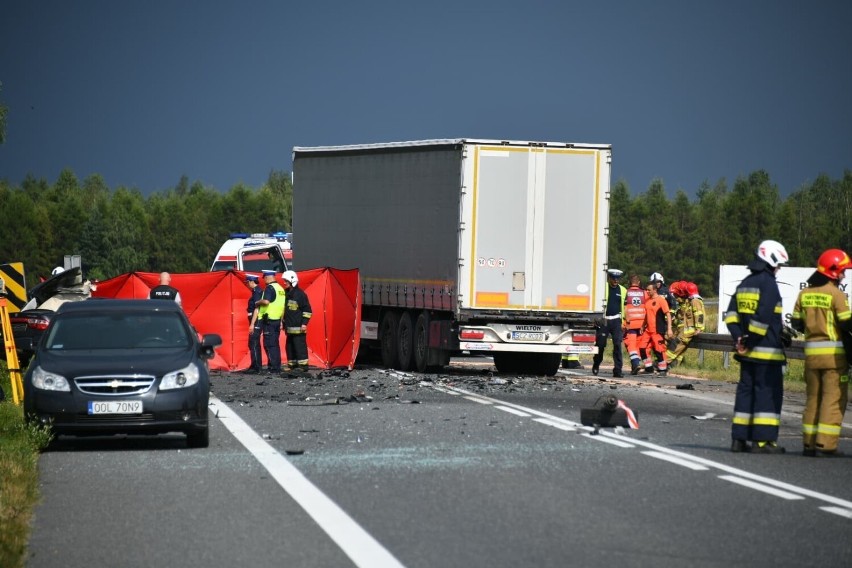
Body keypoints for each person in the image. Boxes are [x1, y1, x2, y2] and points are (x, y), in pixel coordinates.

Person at [724, 239, 789, 454]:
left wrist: (739, 340)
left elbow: (731, 316)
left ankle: (739, 439)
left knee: (745, 393)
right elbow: (762, 319)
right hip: (766, 354)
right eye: (778, 266)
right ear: (772, 262)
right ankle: (763, 442)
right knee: (767, 395)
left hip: (746, 354)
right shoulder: (768, 284)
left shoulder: (744, 283)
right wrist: (751, 339)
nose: (778, 270)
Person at [790, 249, 852, 457]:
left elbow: (796, 322)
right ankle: (825, 445)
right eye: (842, 271)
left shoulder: (804, 293)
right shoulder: (836, 294)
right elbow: (846, 324)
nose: (843, 275)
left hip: (811, 356)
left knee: (813, 398)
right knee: (832, 399)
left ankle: (809, 443)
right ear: (833, 271)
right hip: (834, 357)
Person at [592, 268, 626, 378]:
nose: (616, 280)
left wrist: (625, 321)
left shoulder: (623, 290)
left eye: (618, 278)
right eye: (614, 278)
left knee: (617, 344)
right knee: (601, 345)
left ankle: (618, 370)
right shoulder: (603, 288)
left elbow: (625, 307)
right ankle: (596, 363)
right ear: (609, 278)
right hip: (604, 320)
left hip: (616, 320)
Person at [666, 281, 705, 368]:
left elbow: (699, 315)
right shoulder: (690, 301)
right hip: (685, 331)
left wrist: (699, 328)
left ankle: (663, 363)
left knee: (674, 347)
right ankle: (673, 365)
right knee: (678, 350)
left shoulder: (695, 301)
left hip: (688, 331)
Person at [638, 280, 673, 375]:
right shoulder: (647, 301)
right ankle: (649, 369)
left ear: (654, 290)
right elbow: (647, 315)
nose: (647, 292)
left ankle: (663, 370)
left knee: (659, 350)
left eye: (649, 290)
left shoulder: (661, 300)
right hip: (648, 330)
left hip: (657, 330)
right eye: (646, 290)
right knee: (642, 348)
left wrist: (669, 329)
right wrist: (643, 325)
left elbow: (668, 314)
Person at [281, 270, 312, 373]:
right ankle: (292, 365)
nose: (284, 282)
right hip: (289, 327)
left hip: (298, 327)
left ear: (292, 281)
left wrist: (304, 323)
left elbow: (307, 310)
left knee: (299, 347)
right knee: (290, 347)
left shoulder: (300, 295)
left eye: (286, 281)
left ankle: (303, 366)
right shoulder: (286, 294)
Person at [255, 270, 285, 373]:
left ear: (267, 277)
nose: (264, 280)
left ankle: (274, 367)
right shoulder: (280, 289)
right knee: (275, 344)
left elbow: (266, 301)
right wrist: (281, 321)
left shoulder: (269, 288)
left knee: (269, 344)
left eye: (264, 278)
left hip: (269, 321)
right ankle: (276, 365)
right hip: (277, 320)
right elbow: (282, 306)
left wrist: (258, 302)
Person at [623, 274, 648, 375]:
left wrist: (626, 321)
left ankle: (635, 363)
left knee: (631, 344)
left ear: (630, 282)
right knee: (639, 345)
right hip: (642, 324)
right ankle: (638, 365)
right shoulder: (644, 293)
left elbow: (624, 308)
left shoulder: (627, 293)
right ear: (638, 283)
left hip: (631, 324)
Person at [245, 274, 263, 374]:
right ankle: (254, 365)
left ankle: (256, 366)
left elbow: (257, 309)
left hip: (255, 320)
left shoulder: (257, 292)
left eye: (247, 282)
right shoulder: (256, 292)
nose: (247, 285)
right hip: (254, 319)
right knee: (252, 342)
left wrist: (252, 323)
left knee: (254, 342)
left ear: (252, 282)